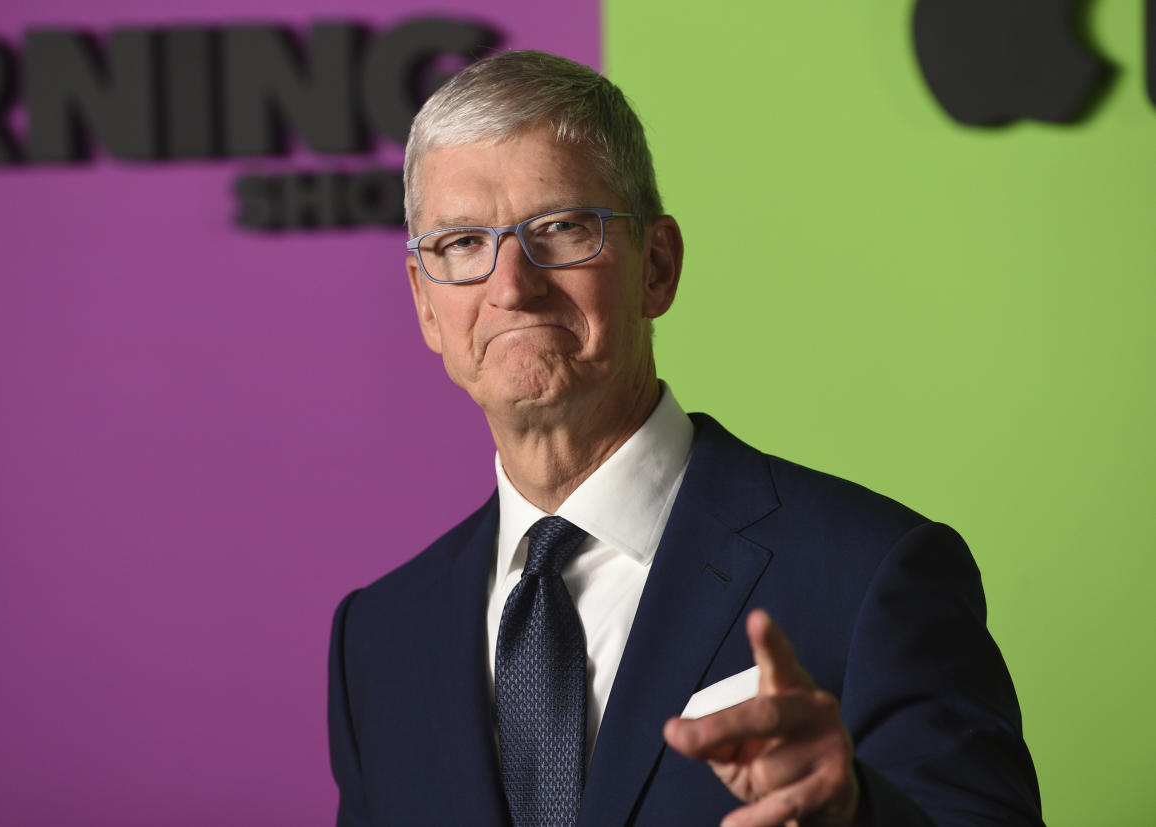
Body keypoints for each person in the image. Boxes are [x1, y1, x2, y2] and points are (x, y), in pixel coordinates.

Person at [328, 50, 1042, 826]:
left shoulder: (872, 575)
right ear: (426, 304)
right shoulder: (379, 638)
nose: (510, 285)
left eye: (562, 228)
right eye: (461, 244)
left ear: (657, 266)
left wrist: (858, 814)